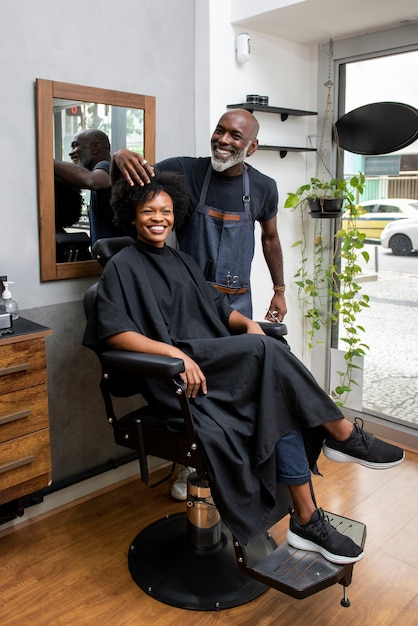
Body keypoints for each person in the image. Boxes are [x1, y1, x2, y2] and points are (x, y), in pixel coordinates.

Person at [83, 172, 404, 564]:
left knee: (275, 393)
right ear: (131, 216)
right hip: (178, 377)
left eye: (166, 211)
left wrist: (247, 323)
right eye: (148, 211)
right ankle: (340, 432)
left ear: (175, 214)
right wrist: (176, 355)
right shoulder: (122, 266)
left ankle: (307, 518)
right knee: (264, 353)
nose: (158, 218)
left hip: (215, 364)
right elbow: (116, 334)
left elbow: (217, 308)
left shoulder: (181, 260)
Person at [111, 108, 287, 499]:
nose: (223, 141)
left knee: (241, 382)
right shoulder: (185, 172)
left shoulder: (264, 187)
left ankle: (240, 462)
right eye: (219, 131)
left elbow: (270, 239)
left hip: (236, 300)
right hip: (191, 298)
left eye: (235, 137)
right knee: (193, 389)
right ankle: (193, 463)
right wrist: (119, 155)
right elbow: (134, 190)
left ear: (252, 146)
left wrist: (279, 289)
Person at [54, 129, 122, 244]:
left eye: (75, 146)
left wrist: (47, 162)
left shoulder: (104, 165)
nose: (71, 152)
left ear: (95, 147)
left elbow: (94, 181)